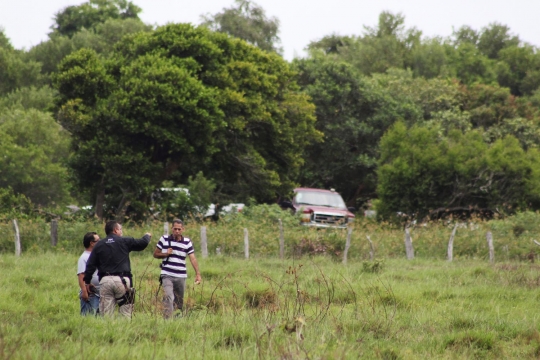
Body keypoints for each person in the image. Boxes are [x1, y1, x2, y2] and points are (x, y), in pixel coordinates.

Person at [84, 220, 151, 317]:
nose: (121, 232)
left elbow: (90, 265)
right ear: (115, 230)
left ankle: (108, 331)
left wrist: (87, 282)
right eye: (120, 229)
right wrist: (147, 236)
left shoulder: (99, 245)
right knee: (126, 313)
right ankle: (123, 331)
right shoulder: (125, 241)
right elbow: (142, 244)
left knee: (106, 315)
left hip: (105, 281)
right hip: (122, 281)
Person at [154, 219, 201, 318]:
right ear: (172, 229)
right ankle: (167, 320)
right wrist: (166, 253)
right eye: (175, 229)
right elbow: (156, 254)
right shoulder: (164, 239)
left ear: (183, 229)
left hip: (181, 275)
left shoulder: (187, 242)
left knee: (179, 300)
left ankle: (177, 320)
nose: (177, 231)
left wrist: (198, 274)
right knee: (168, 297)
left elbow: (192, 258)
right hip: (167, 274)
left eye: (179, 229)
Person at [77, 232, 100, 315]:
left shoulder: (95, 255)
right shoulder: (84, 257)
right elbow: (81, 275)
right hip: (91, 294)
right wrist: (84, 291)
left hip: (98, 293)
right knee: (88, 316)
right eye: (98, 240)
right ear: (92, 243)